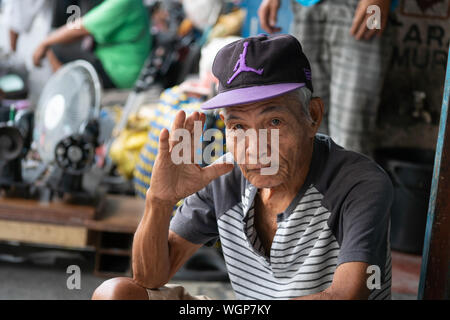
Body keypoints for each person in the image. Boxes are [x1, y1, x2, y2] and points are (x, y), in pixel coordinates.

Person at [92, 34, 393, 300]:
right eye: (238, 126)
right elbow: (149, 278)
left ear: (312, 116)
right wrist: (159, 200)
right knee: (116, 295)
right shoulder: (224, 176)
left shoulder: (358, 183)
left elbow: (344, 295)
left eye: (274, 122)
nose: (255, 146)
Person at [258, 0, 395, 155]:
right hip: (305, 6)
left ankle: (352, 180)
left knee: (352, 132)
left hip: (362, 7)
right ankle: (316, 180)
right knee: (304, 126)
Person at [32, 0, 151, 89]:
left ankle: (69, 93)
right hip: (116, 62)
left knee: (55, 47)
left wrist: (45, 42)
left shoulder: (123, 2)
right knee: (60, 43)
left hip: (121, 72)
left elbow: (81, 27)